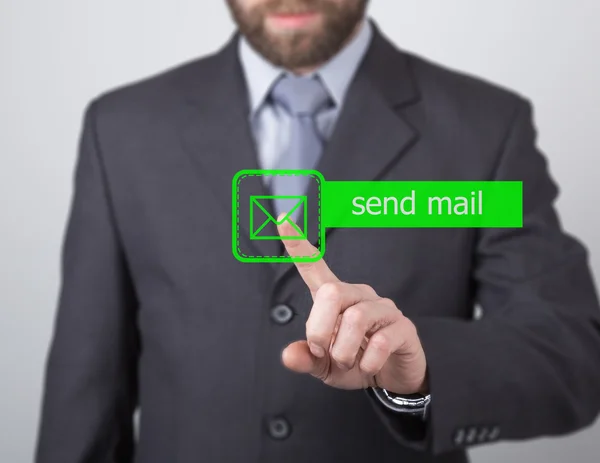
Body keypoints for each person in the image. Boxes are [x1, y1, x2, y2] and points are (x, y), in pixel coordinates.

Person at [35, 1, 600, 462]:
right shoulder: (123, 128)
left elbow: (567, 357)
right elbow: (85, 389)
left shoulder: (484, 128)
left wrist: (418, 370)